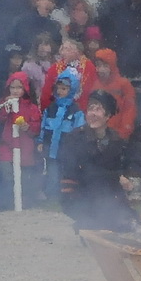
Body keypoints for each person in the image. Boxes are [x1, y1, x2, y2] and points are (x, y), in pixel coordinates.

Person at [58, 91, 135, 231]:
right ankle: (84, 223)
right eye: (90, 109)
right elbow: (73, 172)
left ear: (108, 116)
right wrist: (116, 177)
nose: (92, 113)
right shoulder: (74, 138)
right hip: (81, 195)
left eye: (98, 109)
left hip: (107, 198)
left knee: (128, 225)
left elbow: (121, 170)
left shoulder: (116, 140)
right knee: (92, 229)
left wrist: (124, 183)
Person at [39, 67, 87, 205]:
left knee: (65, 174)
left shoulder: (76, 110)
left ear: (71, 90)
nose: (60, 91)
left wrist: (76, 148)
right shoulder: (51, 108)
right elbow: (44, 126)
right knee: (52, 173)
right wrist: (41, 141)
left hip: (67, 150)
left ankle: (64, 197)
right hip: (51, 149)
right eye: (58, 88)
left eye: (64, 89)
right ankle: (51, 197)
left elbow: (79, 130)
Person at [0, 72, 41, 210]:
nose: (15, 91)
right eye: (12, 87)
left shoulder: (32, 107)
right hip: (6, 146)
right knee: (7, 176)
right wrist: (5, 108)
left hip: (25, 147)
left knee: (24, 179)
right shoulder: (4, 102)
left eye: (19, 87)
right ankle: (6, 205)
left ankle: (23, 205)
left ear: (25, 89)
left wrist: (28, 127)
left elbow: (36, 128)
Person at [92, 49, 138, 138]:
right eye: (98, 66)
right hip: (96, 132)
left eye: (105, 66)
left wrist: (124, 131)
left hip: (116, 133)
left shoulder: (123, 84)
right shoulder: (94, 84)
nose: (101, 70)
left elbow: (129, 109)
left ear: (112, 66)